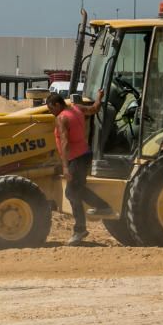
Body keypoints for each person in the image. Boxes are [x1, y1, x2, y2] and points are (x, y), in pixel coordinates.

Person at [47, 90, 113, 246]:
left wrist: (65, 167)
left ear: (57, 104)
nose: (51, 113)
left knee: (71, 192)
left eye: (51, 109)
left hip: (75, 158)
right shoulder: (77, 108)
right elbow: (95, 109)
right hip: (85, 154)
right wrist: (99, 97)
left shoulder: (62, 118)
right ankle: (103, 207)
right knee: (79, 189)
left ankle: (80, 229)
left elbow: (64, 143)